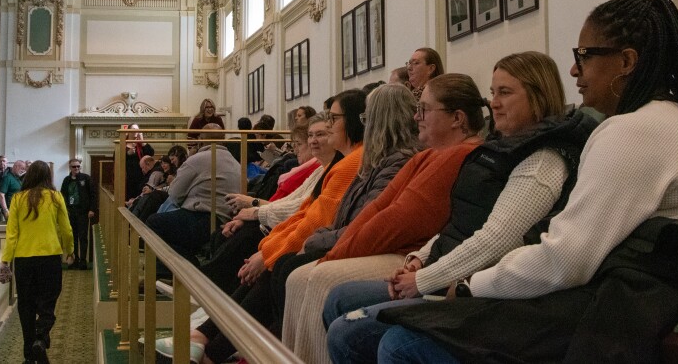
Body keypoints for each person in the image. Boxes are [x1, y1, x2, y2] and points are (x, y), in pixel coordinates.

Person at [363, 0, 678, 363]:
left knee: (400, 344)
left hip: (627, 303)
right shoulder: (669, 119)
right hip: (641, 289)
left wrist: (472, 285)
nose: (574, 69)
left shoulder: (636, 132)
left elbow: (566, 260)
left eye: (584, 56)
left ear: (626, 62)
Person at [325, 53, 597, 364]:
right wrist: (420, 258)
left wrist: (423, 279)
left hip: (476, 287)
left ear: (538, 95)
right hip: (443, 268)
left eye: (505, 93)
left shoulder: (542, 159)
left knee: (367, 336)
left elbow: (496, 239)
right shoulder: (501, 149)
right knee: (339, 299)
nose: (494, 102)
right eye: (493, 92)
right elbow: (462, 221)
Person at [284, 75, 491, 363]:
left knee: (322, 281)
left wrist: (335, 255)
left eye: (424, 110)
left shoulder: (458, 156)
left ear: (457, 118)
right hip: (415, 255)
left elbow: (398, 221)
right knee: (298, 274)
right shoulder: (428, 155)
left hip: (406, 253)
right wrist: (335, 251)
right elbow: (375, 210)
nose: (416, 117)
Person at [184, 90, 367, 364]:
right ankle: (209, 332)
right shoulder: (339, 163)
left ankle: (214, 339)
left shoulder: (348, 163)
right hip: (300, 229)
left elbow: (312, 216)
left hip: (325, 239)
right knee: (261, 248)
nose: (324, 132)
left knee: (277, 263)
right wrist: (267, 243)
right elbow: (305, 209)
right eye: (312, 134)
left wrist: (267, 245)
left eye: (332, 120)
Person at [1, 160, 73, 364]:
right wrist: (70, 251)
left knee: (26, 306)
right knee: (48, 302)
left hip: (24, 259)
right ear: (47, 177)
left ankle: (28, 354)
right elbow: (66, 228)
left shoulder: (17, 198)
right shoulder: (55, 197)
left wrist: (5, 260)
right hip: (49, 257)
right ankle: (40, 339)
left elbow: (12, 234)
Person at [146, 130, 241, 273]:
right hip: (226, 218)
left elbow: (174, 194)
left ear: (201, 140)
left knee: (154, 223)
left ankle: (179, 269)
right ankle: (187, 264)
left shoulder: (198, 159)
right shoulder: (234, 161)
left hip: (205, 218)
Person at [60, 158, 96, 270]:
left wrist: (92, 209)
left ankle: (83, 261)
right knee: (73, 237)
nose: (76, 168)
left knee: (83, 237)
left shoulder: (86, 178)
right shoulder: (66, 180)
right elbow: (63, 195)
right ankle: (74, 259)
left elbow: (93, 194)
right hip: (71, 212)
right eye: (74, 167)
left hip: (83, 212)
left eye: (78, 166)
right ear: (70, 168)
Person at [125, 124, 154, 202]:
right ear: (128, 131)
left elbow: (150, 153)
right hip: (128, 177)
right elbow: (116, 157)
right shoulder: (123, 143)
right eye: (133, 129)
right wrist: (128, 154)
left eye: (137, 129)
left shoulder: (140, 144)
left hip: (141, 176)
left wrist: (142, 142)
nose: (135, 131)